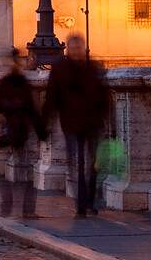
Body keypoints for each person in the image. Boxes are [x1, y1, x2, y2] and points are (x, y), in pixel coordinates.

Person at [44, 33, 112, 216]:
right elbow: (51, 97)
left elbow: (104, 96)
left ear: (83, 48)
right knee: (77, 164)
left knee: (93, 164)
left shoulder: (93, 67)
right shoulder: (60, 69)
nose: (76, 52)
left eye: (78, 48)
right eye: (73, 49)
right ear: (68, 49)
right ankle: (82, 204)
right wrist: (46, 122)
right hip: (71, 124)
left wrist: (108, 119)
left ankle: (90, 200)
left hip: (92, 122)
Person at [0, 47, 46, 219]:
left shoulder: (11, 82)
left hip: (16, 130)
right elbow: (30, 109)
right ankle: (24, 208)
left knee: (18, 171)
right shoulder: (14, 83)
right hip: (16, 130)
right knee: (25, 171)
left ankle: (14, 205)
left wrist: (40, 130)